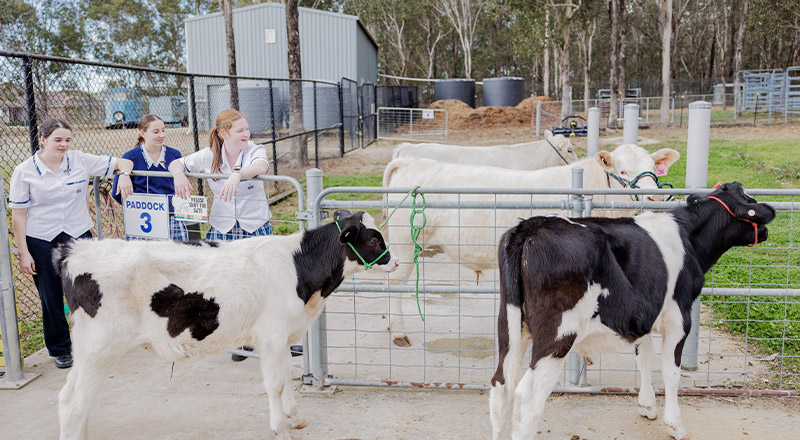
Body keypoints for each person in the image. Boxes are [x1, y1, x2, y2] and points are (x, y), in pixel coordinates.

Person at [9, 118, 134, 369]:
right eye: (57, 140)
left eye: (67, 139)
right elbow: (19, 215)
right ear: (42, 140)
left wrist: (125, 175)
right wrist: (24, 252)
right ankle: (60, 348)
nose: (64, 144)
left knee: (87, 291)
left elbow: (124, 161)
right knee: (51, 295)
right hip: (42, 238)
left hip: (77, 234)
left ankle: (92, 340)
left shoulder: (79, 159)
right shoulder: (24, 171)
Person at [169, 109, 272, 361]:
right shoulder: (209, 155)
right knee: (230, 285)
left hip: (254, 226)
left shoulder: (254, 150)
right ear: (225, 133)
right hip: (224, 227)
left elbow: (262, 165)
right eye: (240, 130)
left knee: (263, 283)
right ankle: (241, 340)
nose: (246, 133)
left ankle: (272, 335)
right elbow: (176, 163)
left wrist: (237, 174)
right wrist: (179, 174)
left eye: (247, 129)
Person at [111, 114, 188, 241]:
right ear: (143, 133)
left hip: (170, 216)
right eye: (156, 132)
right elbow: (117, 193)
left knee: (176, 255)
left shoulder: (174, 155)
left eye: (163, 130)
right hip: (142, 218)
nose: (162, 135)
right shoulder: (130, 157)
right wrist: (136, 205)